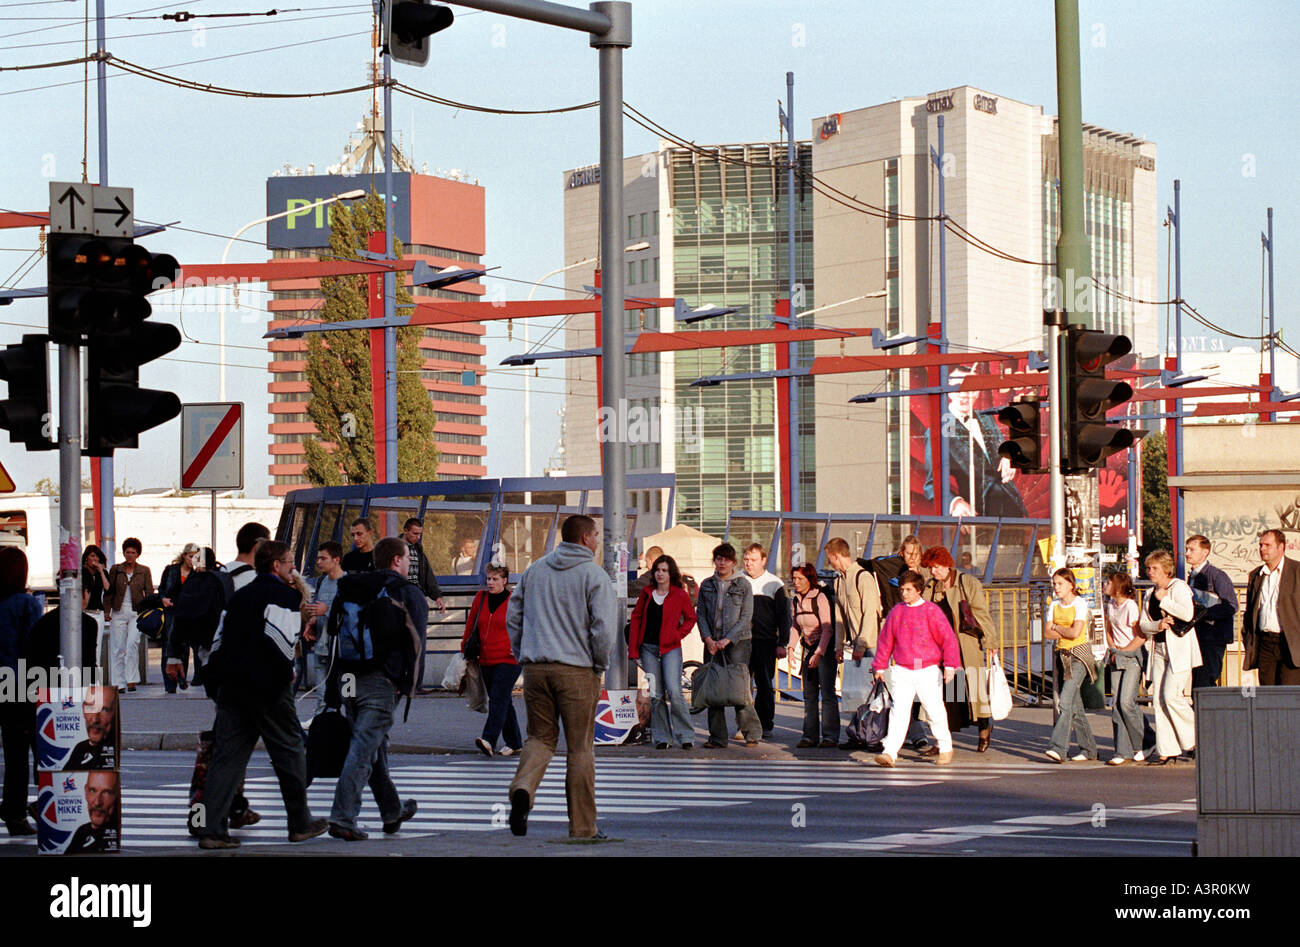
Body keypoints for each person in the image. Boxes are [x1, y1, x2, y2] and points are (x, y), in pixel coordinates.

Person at [195, 540, 329, 849]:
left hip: (231, 687)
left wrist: (216, 683)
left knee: (227, 758)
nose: (293, 567)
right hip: (267, 688)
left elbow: (219, 639)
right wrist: (286, 677)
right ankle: (300, 821)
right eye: (289, 562)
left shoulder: (240, 596)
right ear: (276, 566)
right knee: (290, 751)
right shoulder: (283, 596)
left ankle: (213, 830)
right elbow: (281, 644)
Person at [505, 514, 616, 840]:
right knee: (580, 748)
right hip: (578, 671)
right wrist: (599, 664)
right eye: (595, 535)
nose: (597, 541)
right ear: (585, 538)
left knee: (539, 739)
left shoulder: (535, 570)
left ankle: (523, 789)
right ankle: (583, 828)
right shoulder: (594, 575)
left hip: (536, 669)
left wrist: (523, 653)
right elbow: (604, 630)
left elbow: (514, 616)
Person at [327, 537, 424, 841]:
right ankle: (342, 817)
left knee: (373, 746)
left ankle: (392, 810)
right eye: (407, 557)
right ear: (396, 560)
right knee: (363, 747)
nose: (409, 562)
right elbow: (416, 645)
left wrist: (334, 689)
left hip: (349, 677)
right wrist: (408, 688)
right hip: (382, 680)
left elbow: (331, 636)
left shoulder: (352, 587)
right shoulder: (406, 592)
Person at [872, 570, 959, 767]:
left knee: (934, 709)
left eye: (909, 590)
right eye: (902, 589)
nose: (904, 593)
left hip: (927, 669)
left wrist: (950, 665)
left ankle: (945, 746)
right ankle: (890, 752)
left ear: (919, 590)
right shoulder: (896, 612)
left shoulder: (931, 611)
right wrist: (879, 666)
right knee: (898, 711)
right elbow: (886, 641)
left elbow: (948, 639)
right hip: (902, 669)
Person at [923, 364, 1027, 518]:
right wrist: (955, 503)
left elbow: (1000, 448)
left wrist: (1008, 454)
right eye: (957, 388)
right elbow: (932, 484)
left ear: (978, 392)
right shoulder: (941, 428)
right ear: (947, 391)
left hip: (1013, 510)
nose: (964, 395)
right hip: (978, 516)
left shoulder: (986, 417)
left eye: (970, 388)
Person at [921, 546, 996, 753]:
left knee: (975, 691)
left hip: (965, 645)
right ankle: (943, 741)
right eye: (930, 568)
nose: (933, 572)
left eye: (936, 567)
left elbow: (981, 613)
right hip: (941, 649)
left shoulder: (966, 582)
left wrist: (990, 642)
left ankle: (984, 729)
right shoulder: (930, 587)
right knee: (947, 696)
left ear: (946, 564)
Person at [628, 553, 697, 750]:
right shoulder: (647, 593)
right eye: (657, 570)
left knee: (675, 692)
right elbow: (636, 619)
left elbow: (691, 618)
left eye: (664, 570)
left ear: (670, 573)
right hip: (648, 649)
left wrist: (677, 635)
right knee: (656, 694)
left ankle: (685, 735)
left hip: (671, 649)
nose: (660, 574)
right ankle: (662, 737)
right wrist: (633, 650)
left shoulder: (679, 594)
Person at [695, 543, 761, 749]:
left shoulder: (743, 584)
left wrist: (728, 639)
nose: (721, 563)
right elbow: (701, 614)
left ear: (733, 562)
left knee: (739, 689)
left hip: (738, 643)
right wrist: (708, 639)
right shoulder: (707, 585)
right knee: (713, 689)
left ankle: (750, 733)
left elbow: (746, 617)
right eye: (718, 559)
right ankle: (717, 737)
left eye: (725, 559)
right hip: (712, 641)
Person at [1139, 550, 1200, 765]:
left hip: (1179, 650)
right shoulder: (1148, 593)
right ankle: (1167, 749)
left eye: (1154, 568)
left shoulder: (1178, 587)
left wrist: (1165, 600)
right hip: (1158, 649)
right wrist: (1158, 625)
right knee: (1158, 700)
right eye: (1148, 568)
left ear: (1166, 569)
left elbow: (1187, 614)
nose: (1150, 572)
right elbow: (1143, 624)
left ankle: (1195, 738)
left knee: (1171, 695)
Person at [0, 547, 43, 836]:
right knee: (37, 749)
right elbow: (33, 645)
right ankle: (38, 804)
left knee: (13, 752)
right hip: (21, 685)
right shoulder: (27, 604)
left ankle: (14, 812)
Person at [824, 538, 880, 748]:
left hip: (871, 644)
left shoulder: (862, 577)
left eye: (830, 558)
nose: (830, 562)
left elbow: (870, 613)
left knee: (876, 692)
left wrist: (862, 644)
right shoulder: (839, 581)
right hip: (855, 643)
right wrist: (839, 645)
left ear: (836, 555)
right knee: (858, 692)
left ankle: (876, 734)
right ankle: (859, 734)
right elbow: (839, 617)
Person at [464, 563, 523, 757]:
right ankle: (514, 742)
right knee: (503, 699)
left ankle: (489, 739)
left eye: (495, 579)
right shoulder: (480, 598)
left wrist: (520, 647)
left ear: (505, 581)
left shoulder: (514, 600)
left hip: (509, 658)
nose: (490, 582)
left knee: (498, 698)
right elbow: (471, 624)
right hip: (486, 658)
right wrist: (465, 648)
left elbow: (527, 625)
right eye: (488, 578)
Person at [1043, 568, 1098, 763]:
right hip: (1063, 655)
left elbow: (1076, 633)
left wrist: (1057, 627)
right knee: (1075, 707)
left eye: (1060, 584)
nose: (1056, 587)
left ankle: (1058, 747)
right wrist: (1063, 630)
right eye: (1054, 584)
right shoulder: (1054, 605)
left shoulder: (1080, 604)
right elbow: (1047, 633)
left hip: (1079, 656)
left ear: (1071, 585)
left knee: (1064, 702)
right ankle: (1089, 748)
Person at [742, 543, 790, 741]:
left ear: (763, 561)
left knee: (764, 684)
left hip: (766, 641)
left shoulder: (775, 584)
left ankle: (764, 724)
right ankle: (745, 725)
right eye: (746, 559)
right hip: (742, 641)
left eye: (753, 560)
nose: (749, 564)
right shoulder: (738, 580)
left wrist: (782, 643)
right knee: (742, 686)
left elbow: (784, 616)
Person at [1242, 528, 1300, 686]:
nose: (1262, 549)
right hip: (1265, 643)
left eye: (1267, 545)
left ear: (1281, 547)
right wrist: (1248, 640)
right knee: (1267, 695)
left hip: (1291, 644)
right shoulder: (1256, 575)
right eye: (1260, 545)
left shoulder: (1297, 571)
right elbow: (1250, 612)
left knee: (1289, 695)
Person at [1103, 571, 1149, 765]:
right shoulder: (1111, 605)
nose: (1105, 584)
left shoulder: (1130, 606)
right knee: (1116, 705)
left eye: (1108, 582)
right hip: (1117, 655)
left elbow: (1140, 635)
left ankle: (1143, 743)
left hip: (1131, 657)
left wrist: (1124, 651)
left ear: (1118, 587)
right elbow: (1109, 628)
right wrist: (1113, 648)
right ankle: (1122, 750)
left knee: (1126, 702)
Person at [790, 563, 837, 749]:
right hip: (808, 647)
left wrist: (820, 652)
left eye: (800, 579)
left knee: (827, 692)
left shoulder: (820, 597)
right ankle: (809, 735)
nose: (796, 582)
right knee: (809, 694)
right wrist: (790, 648)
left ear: (810, 579)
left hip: (824, 647)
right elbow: (794, 625)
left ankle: (829, 736)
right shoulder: (795, 599)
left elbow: (827, 628)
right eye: (794, 578)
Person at [1184, 534, 1239, 690]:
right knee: (1198, 682)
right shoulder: (1192, 577)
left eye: (1192, 549)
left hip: (1213, 638)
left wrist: (1203, 613)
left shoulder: (1216, 576)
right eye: (1186, 549)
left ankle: (1209, 714)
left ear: (1205, 552)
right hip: (1198, 637)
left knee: (1205, 681)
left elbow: (1231, 606)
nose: (1187, 553)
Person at [105, 537, 153, 692]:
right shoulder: (116, 569)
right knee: (117, 647)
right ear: (123, 552)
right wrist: (107, 610)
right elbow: (109, 591)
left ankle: (132, 679)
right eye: (127, 552)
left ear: (138, 554)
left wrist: (150, 611)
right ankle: (119, 682)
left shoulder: (144, 571)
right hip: (118, 610)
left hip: (137, 612)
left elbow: (149, 592)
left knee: (132, 644)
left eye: (133, 552)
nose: (130, 555)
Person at [304, 541, 345, 713]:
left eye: (323, 558)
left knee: (345, 690)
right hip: (321, 644)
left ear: (336, 560)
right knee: (321, 691)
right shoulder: (322, 581)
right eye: (318, 558)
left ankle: (344, 723)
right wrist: (311, 621)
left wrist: (326, 611)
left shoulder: (347, 583)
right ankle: (320, 722)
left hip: (341, 649)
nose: (319, 562)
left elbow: (350, 614)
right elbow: (316, 607)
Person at [158, 542, 201, 693]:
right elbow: (162, 588)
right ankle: (170, 684)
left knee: (184, 647)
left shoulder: (197, 575)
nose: (193, 560)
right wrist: (163, 598)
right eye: (191, 557)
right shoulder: (171, 570)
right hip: (171, 611)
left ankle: (181, 678)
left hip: (187, 613)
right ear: (184, 556)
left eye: (196, 558)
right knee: (168, 644)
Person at [64, 686, 117, 770]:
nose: (95, 720)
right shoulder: (81, 747)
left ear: (115, 712)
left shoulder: (111, 753)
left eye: (104, 710)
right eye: (90, 708)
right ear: (83, 709)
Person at [66, 771, 119, 853]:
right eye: (92, 790)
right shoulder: (82, 831)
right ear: (86, 792)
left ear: (116, 795)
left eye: (106, 792)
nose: (97, 802)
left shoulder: (121, 835)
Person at [401, 517, 446, 612]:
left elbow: (427, 574)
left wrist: (437, 596)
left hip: (416, 598)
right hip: (400, 598)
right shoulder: (394, 547)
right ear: (406, 531)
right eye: (415, 533)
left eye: (420, 534)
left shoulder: (418, 549)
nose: (418, 537)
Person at [81, 545, 110, 669]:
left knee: (96, 646)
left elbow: (108, 588)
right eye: (92, 555)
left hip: (98, 613)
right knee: (84, 646)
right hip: (85, 612)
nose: (95, 559)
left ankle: (94, 680)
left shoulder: (101, 573)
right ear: (86, 557)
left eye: (97, 556)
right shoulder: (82, 572)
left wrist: (101, 572)